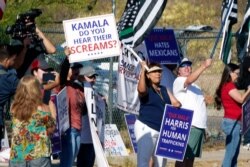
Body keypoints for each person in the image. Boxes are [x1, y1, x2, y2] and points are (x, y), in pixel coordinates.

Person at [134, 61, 181, 167]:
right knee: (143, 162)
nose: (158, 74)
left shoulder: (164, 89)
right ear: (148, 75)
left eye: (159, 71)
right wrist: (142, 70)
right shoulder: (146, 88)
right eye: (154, 71)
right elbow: (141, 90)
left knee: (161, 164)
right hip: (146, 127)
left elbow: (176, 104)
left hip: (162, 130)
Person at [9, 75, 56, 167]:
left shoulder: (13, 108)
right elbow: (51, 130)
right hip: (39, 155)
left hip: (17, 155)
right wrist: (53, 112)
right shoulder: (43, 108)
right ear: (36, 90)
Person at [173, 57, 212, 167]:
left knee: (190, 159)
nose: (187, 67)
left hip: (198, 126)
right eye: (183, 65)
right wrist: (204, 66)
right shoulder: (179, 81)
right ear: (178, 71)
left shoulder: (195, 87)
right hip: (189, 126)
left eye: (189, 65)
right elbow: (189, 80)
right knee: (183, 158)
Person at [214, 63, 250, 167]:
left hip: (236, 122)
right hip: (232, 122)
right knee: (230, 154)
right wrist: (249, 90)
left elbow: (242, 101)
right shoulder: (228, 86)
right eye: (237, 73)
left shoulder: (230, 86)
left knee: (234, 154)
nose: (238, 76)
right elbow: (241, 99)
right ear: (230, 73)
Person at [59, 62, 85, 167]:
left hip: (78, 128)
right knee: (67, 162)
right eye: (73, 68)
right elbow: (62, 73)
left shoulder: (79, 87)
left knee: (71, 161)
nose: (77, 71)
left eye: (78, 68)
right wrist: (67, 59)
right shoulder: (63, 84)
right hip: (68, 130)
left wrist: (84, 82)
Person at [77, 66, 100, 167]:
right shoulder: (80, 92)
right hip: (83, 139)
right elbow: (82, 111)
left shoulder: (94, 93)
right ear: (82, 78)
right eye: (90, 77)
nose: (93, 79)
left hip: (93, 138)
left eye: (95, 77)